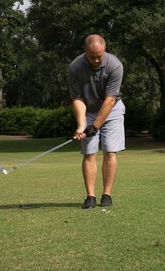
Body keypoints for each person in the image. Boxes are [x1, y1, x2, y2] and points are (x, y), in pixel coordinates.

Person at [68, 34, 125, 209]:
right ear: (84, 50)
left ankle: (106, 195)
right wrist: (81, 125)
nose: (97, 60)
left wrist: (96, 126)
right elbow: (78, 99)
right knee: (89, 153)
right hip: (89, 109)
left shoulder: (115, 65)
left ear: (104, 49)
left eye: (100, 56)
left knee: (109, 151)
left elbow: (109, 100)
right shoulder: (75, 67)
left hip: (112, 109)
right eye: (92, 56)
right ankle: (90, 197)